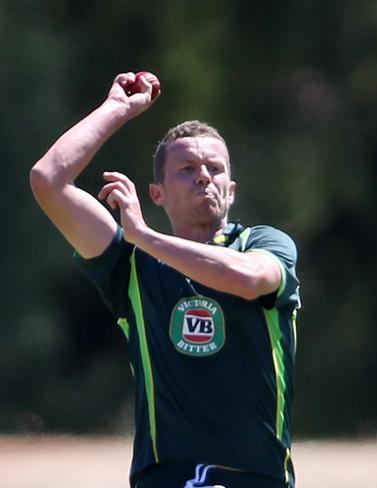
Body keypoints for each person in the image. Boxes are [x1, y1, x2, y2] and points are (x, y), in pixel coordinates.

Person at [30, 72, 300, 488]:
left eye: (215, 168)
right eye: (188, 168)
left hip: (252, 479)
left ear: (231, 189)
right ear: (157, 194)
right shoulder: (133, 265)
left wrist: (146, 236)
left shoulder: (262, 244)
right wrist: (116, 110)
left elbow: (249, 280)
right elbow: (48, 181)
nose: (204, 176)